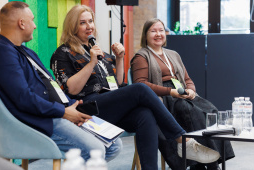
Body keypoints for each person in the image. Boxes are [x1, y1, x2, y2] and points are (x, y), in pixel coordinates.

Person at [50, 5, 220, 170]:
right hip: (86, 109)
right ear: (73, 27)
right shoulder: (63, 53)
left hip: (108, 107)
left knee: (145, 115)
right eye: (82, 23)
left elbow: (115, 84)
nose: (89, 27)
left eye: (91, 21)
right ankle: (182, 140)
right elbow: (71, 89)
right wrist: (92, 62)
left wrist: (118, 59)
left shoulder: (95, 49)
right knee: (140, 88)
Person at [0, 1, 122, 162]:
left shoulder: (25, 51)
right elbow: (24, 99)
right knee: (96, 149)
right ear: (21, 23)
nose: (35, 26)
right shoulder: (2, 53)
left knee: (114, 144)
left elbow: (51, 87)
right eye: (32, 20)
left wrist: (72, 106)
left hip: (58, 112)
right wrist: (63, 112)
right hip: (40, 120)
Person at [131, 18, 235, 170]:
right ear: (145, 35)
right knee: (186, 109)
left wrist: (191, 90)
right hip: (161, 99)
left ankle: (203, 162)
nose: (158, 34)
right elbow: (140, 85)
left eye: (161, 30)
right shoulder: (141, 57)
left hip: (181, 93)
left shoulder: (173, 54)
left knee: (209, 110)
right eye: (153, 31)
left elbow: (187, 79)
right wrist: (170, 91)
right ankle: (210, 165)